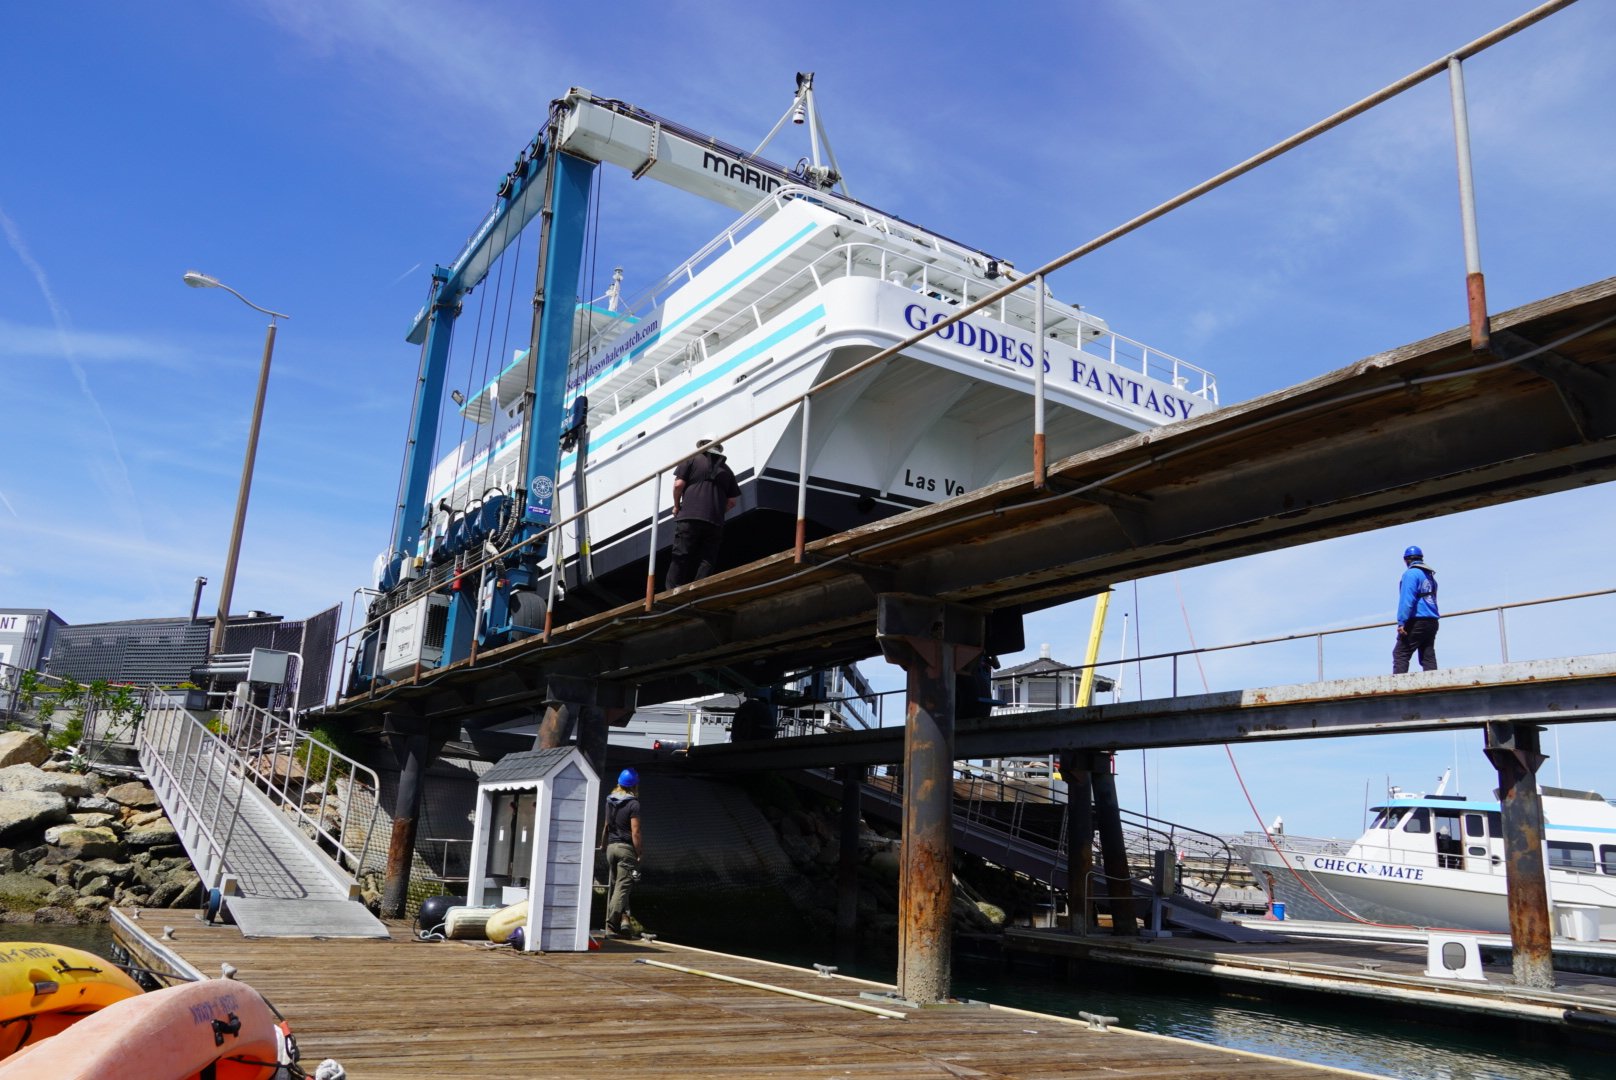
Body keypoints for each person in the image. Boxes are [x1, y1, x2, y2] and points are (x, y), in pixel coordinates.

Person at [665, 435, 740, 588]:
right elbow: (732, 502)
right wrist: (718, 511)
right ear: (719, 448)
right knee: (707, 558)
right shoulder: (727, 470)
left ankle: (672, 590)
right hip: (715, 521)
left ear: (701, 446)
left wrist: (676, 506)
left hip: (689, 516)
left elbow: (678, 485)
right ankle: (699, 588)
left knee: (681, 554)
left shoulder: (691, 459)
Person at [601, 767, 642, 937]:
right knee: (623, 887)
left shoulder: (609, 801)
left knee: (617, 886)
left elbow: (606, 826)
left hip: (611, 848)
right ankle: (611, 924)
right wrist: (639, 852)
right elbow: (635, 831)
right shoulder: (633, 804)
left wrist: (602, 844)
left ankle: (625, 922)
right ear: (634, 786)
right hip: (625, 849)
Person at [1392, 544, 1440, 673]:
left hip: (1417, 621)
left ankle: (1399, 688)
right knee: (1427, 654)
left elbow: (1407, 600)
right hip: (1432, 621)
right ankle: (1434, 684)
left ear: (1406, 560)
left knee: (1400, 653)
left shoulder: (1411, 574)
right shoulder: (1429, 576)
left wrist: (1402, 621)